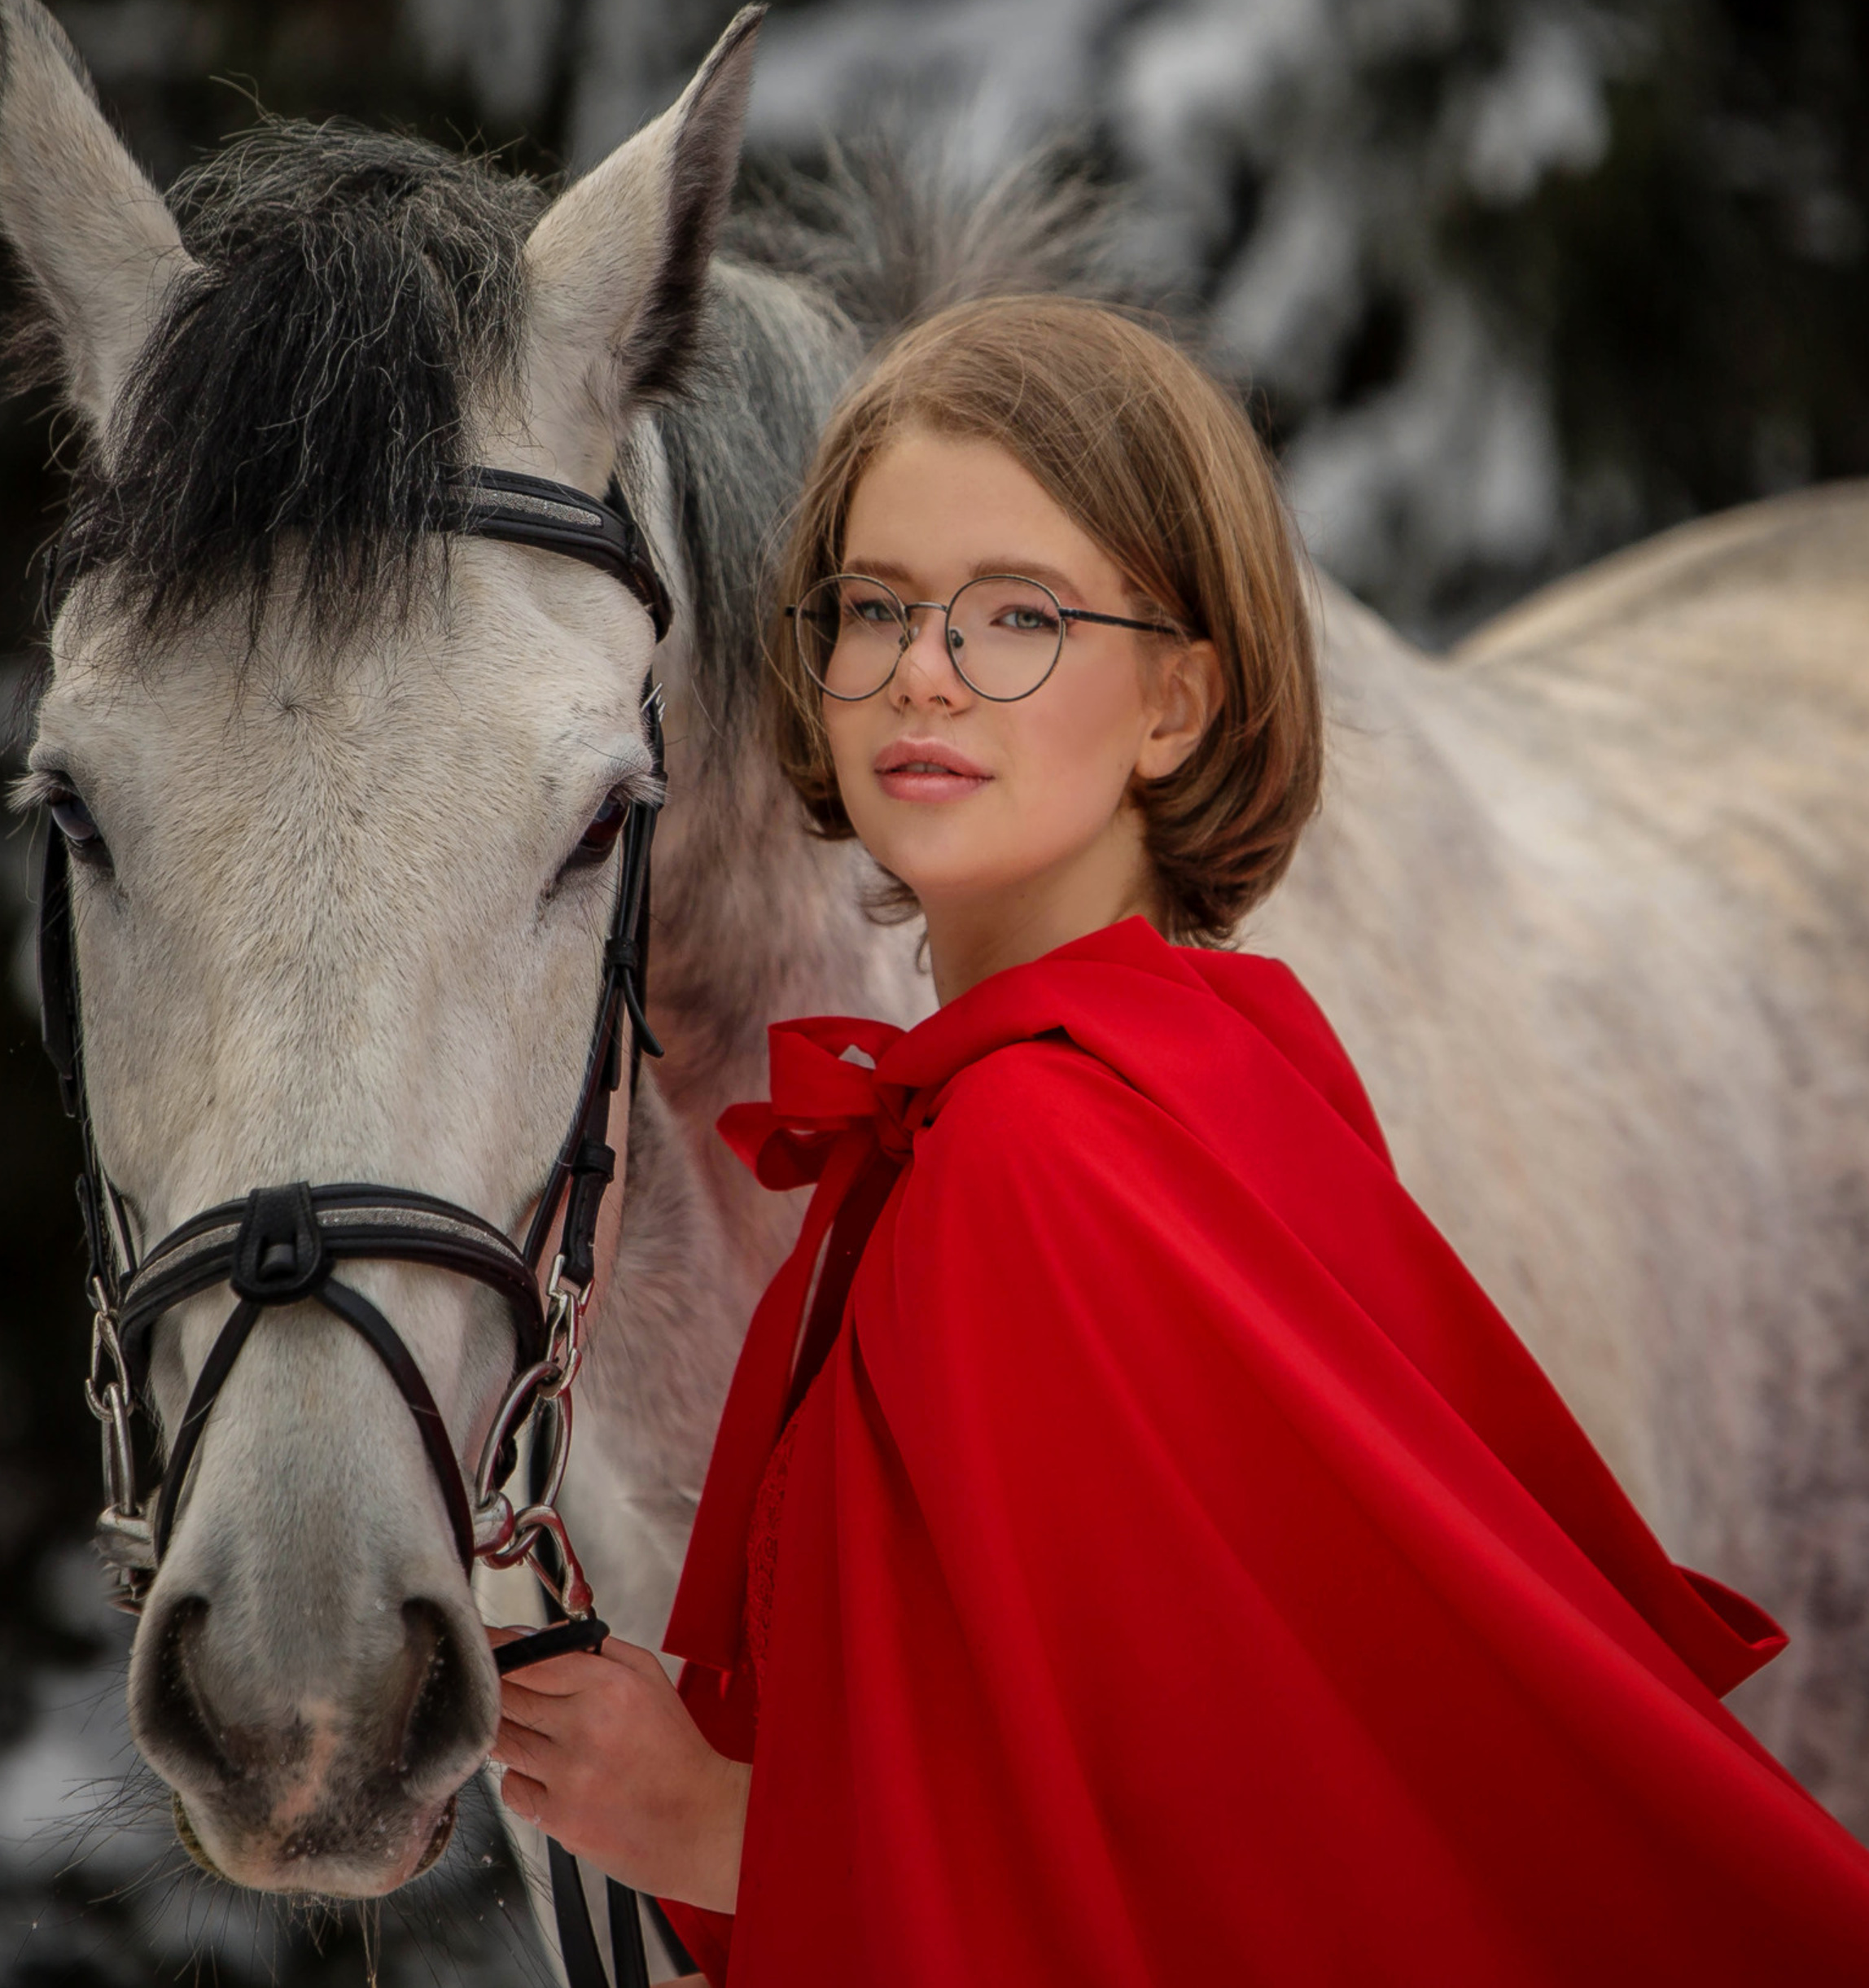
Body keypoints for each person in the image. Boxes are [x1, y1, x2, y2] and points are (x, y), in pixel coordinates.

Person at [486, 295, 1869, 1985]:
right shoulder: (1169, 1067)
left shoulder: (1032, 1157)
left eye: (1018, 615)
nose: (925, 665)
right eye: (875, 606)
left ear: (1176, 705)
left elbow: (1246, 1867)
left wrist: (714, 1825)